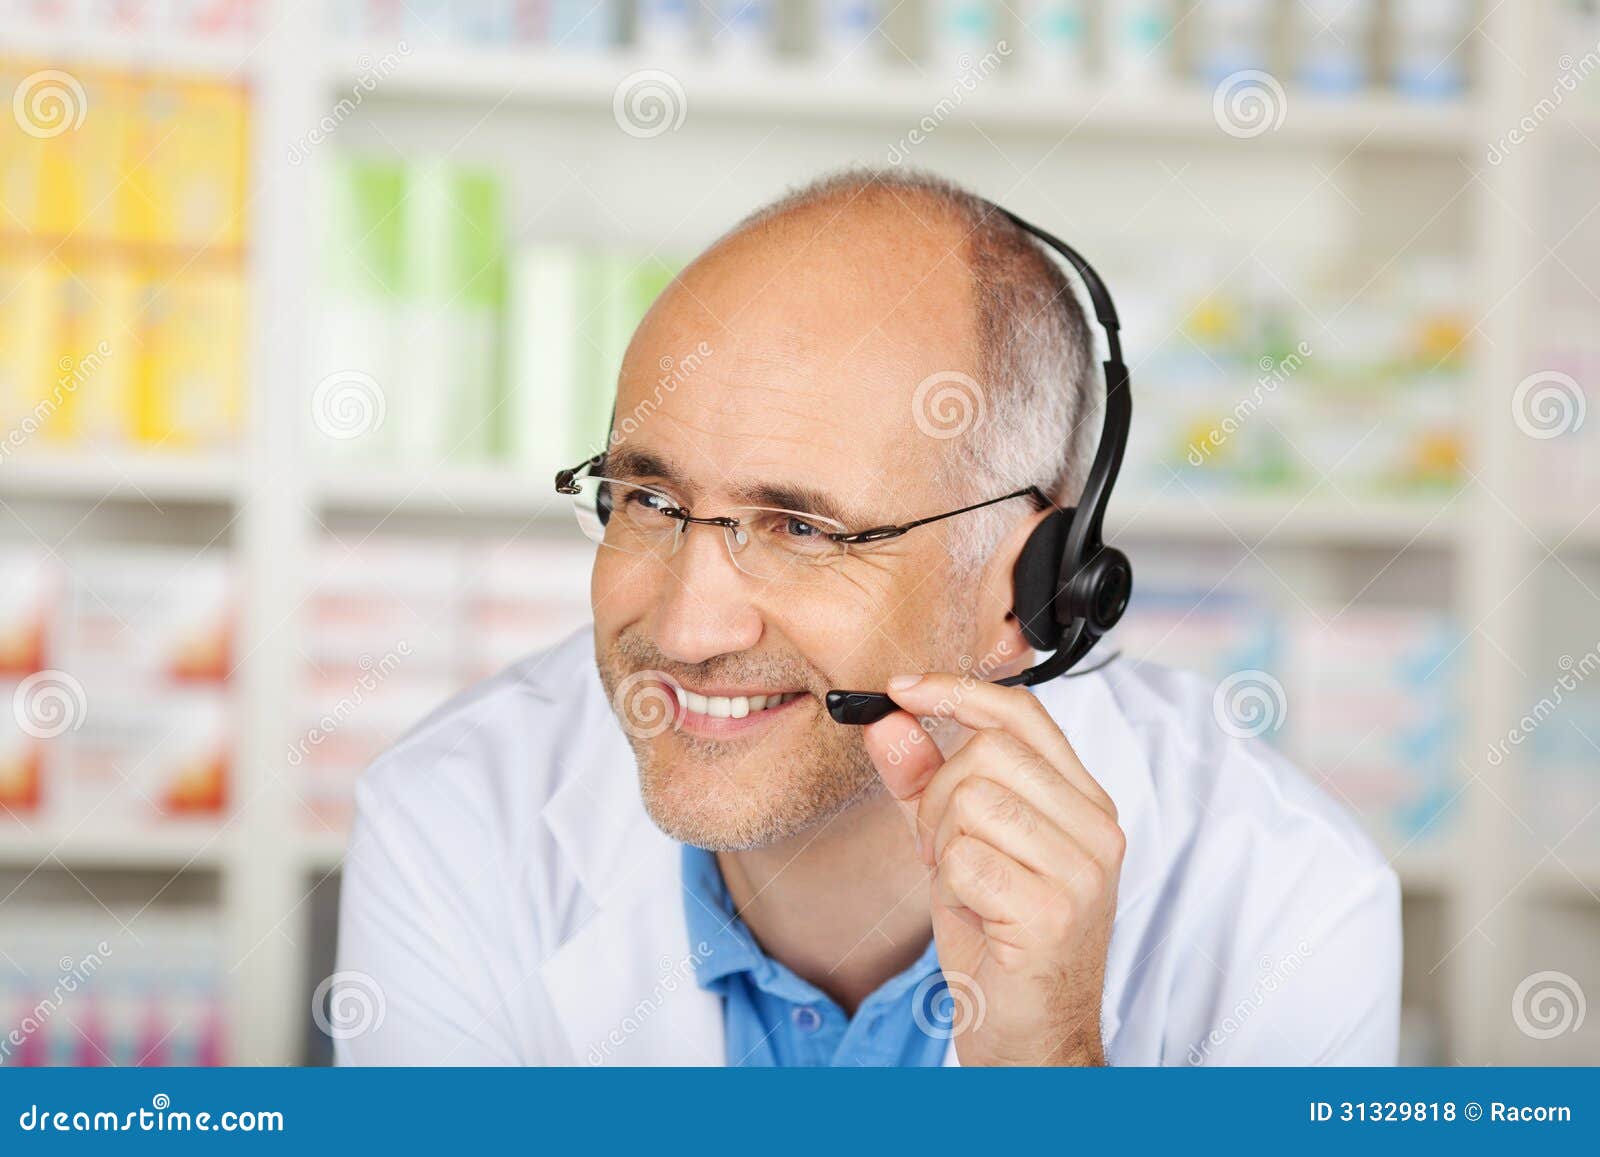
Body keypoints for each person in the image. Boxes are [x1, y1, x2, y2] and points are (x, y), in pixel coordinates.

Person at [334, 168, 1400, 1066]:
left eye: (801, 528)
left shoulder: (1284, 900)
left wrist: (1047, 1073)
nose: (689, 629)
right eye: (649, 499)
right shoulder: (453, 816)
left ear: (1028, 587)